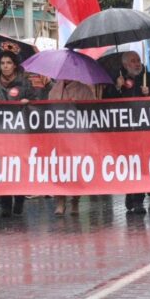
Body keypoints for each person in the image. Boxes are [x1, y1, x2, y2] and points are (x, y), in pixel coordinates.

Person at [0, 51, 38, 217]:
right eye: (3, 63)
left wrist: (28, 103)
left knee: (19, 167)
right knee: (3, 167)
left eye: (9, 63)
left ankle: (19, 199)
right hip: (0, 134)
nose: (5, 66)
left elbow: (36, 105)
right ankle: (5, 202)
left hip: (20, 135)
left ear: (14, 65)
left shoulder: (24, 84)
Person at [104, 51, 150, 214]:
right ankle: (130, 192)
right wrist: (117, 87)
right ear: (125, 65)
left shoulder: (148, 77)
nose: (137, 63)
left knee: (141, 164)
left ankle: (138, 199)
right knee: (129, 165)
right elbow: (106, 102)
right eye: (133, 61)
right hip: (125, 132)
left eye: (138, 60)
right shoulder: (117, 79)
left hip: (143, 131)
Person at [50, 79, 101, 216]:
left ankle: (75, 201)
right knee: (60, 168)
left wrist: (77, 106)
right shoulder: (55, 89)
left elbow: (92, 111)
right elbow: (48, 108)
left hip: (78, 135)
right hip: (59, 134)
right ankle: (60, 201)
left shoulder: (84, 89)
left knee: (76, 169)